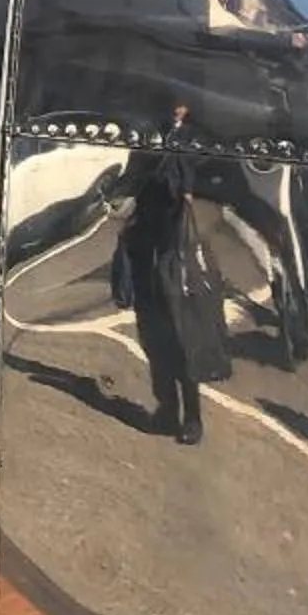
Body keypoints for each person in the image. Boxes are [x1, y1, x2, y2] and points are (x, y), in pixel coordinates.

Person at [113, 111, 233, 442]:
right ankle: (166, 409)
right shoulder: (149, 131)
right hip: (146, 248)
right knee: (152, 333)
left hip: (176, 252)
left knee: (183, 334)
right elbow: (133, 176)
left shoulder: (197, 137)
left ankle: (192, 416)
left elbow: (182, 185)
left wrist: (169, 155)